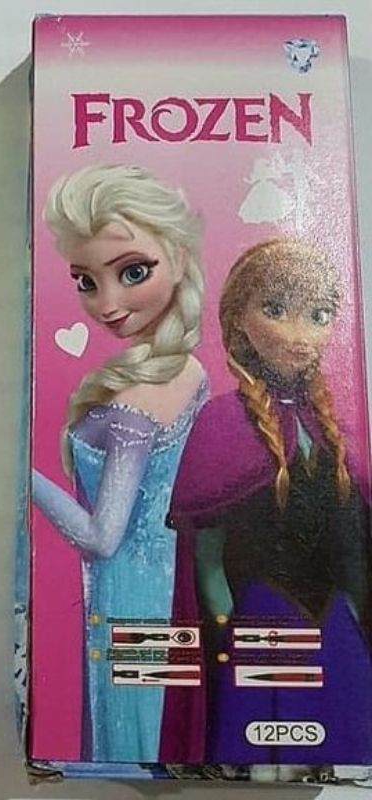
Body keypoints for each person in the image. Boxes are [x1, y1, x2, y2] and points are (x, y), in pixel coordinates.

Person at [169, 238, 372, 765]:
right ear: (239, 321)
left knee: (346, 743)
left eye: (319, 315)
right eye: (277, 309)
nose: (301, 335)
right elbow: (206, 560)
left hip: (337, 624)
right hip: (260, 622)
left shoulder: (339, 428)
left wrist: (357, 616)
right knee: (259, 756)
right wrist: (227, 636)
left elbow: (355, 547)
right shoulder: (221, 422)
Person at [31, 164, 206, 762]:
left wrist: (22, 481)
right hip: (166, 588)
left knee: (131, 736)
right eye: (86, 281)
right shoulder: (188, 370)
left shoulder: (137, 401)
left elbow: (101, 537)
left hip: (132, 598)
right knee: (150, 736)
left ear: (177, 257)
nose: (107, 304)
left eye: (133, 272)